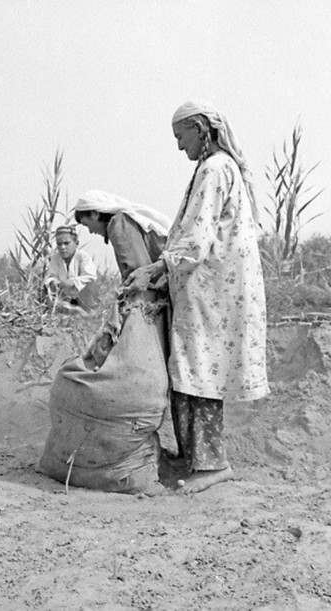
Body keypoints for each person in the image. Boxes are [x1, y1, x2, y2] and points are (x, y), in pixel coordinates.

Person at [123, 100, 270, 494]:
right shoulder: (217, 168)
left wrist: (157, 268)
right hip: (207, 289)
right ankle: (197, 458)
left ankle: (212, 464)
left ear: (199, 128)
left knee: (198, 371)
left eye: (179, 136)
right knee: (192, 369)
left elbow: (197, 235)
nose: (178, 147)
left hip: (211, 292)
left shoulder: (215, 168)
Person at [74, 190, 170, 286]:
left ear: (95, 214)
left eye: (87, 225)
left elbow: (137, 270)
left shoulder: (119, 223)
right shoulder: (124, 222)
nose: (90, 231)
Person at [44, 225, 98, 312]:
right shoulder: (55, 258)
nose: (62, 247)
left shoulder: (83, 256)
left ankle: (87, 310)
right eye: (59, 244)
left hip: (82, 296)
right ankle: (68, 308)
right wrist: (54, 282)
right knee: (48, 288)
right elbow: (51, 276)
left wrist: (73, 281)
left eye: (66, 243)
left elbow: (91, 277)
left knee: (91, 284)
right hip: (64, 296)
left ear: (76, 243)